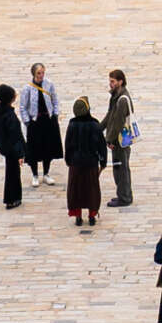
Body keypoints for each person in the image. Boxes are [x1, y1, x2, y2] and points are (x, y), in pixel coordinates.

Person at [63, 96, 107, 227]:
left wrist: (68, 160)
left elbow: (68, 145)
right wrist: (103, 162)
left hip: (75, 163)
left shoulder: (72, 124)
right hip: (91, 163)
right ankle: (92, 215)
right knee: (92, 189)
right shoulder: (94, 125)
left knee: (76, 189)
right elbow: (101, 145)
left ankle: (78, 216)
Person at [18, 63, 63, 184]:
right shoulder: (27, 88)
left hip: (48, 120)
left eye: (43, 72)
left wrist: (55, 114)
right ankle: (35, 174)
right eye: (39, 73)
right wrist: (27, 121)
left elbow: (55, 99)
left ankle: (46, 173)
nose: (41, 75)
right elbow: (23, 106)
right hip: (35, 122)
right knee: (34, 148)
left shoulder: (49, 84)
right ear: (34, 74)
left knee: (48, 147)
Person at [102, 69, 135, 207]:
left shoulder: (122, 100)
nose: (110, 84)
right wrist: (99, 129)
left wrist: (109, 139)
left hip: (120, 140)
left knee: (121, 169)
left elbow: (117, 123)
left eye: (113, 81)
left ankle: (125, 197)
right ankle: (122, 194)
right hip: (117, 139)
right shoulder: (116, 96)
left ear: (120, 81)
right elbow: (110, 115)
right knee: (119, 168)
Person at [0, 84, 26, 210]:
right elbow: (15, 136)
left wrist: (0, 144)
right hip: (12, 149)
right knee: (13, 173)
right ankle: (12, 199)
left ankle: (13, 198)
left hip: (4, 147)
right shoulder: (9, 116)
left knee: (12, 172)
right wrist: (20, 153)